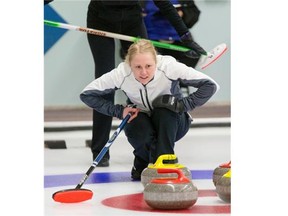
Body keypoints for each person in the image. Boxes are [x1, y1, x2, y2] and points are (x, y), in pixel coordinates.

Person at [86, 0, 208, 167]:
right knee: (104, 81)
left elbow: (164, 4)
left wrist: (185, 36)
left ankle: (153, 144)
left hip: (132, 19)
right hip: (99, 18)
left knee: (146, 70)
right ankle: (100, 150)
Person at [80, 39, 219, 180]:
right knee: (136, 123)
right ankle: (145, 162)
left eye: (148, 66)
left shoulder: (169, 66)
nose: (144, 72)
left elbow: (210, 85)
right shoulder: (121, 73)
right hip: (141, 119)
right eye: (137, 67)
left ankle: (162, 162)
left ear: (156, 62)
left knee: (164, 107)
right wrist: (119, 111)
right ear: (129, 65)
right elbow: (87, 94)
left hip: (173, 123)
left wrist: (182, 105)